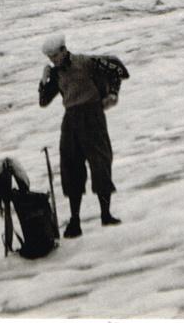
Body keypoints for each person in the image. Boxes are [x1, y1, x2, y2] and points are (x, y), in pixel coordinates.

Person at [38, 33, 129, 238]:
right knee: (71, 168)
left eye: (55, 56)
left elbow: (118, 70)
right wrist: (44, 81)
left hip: (93, 116)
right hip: (71, 120)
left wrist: (113, 94)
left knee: (101, 164)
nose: (53, 60)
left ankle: (106, 215)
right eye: (50, 58)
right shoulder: (55, 73)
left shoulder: (86, 62)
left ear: (63, 50)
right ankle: (75, 221)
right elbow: (43, 101)